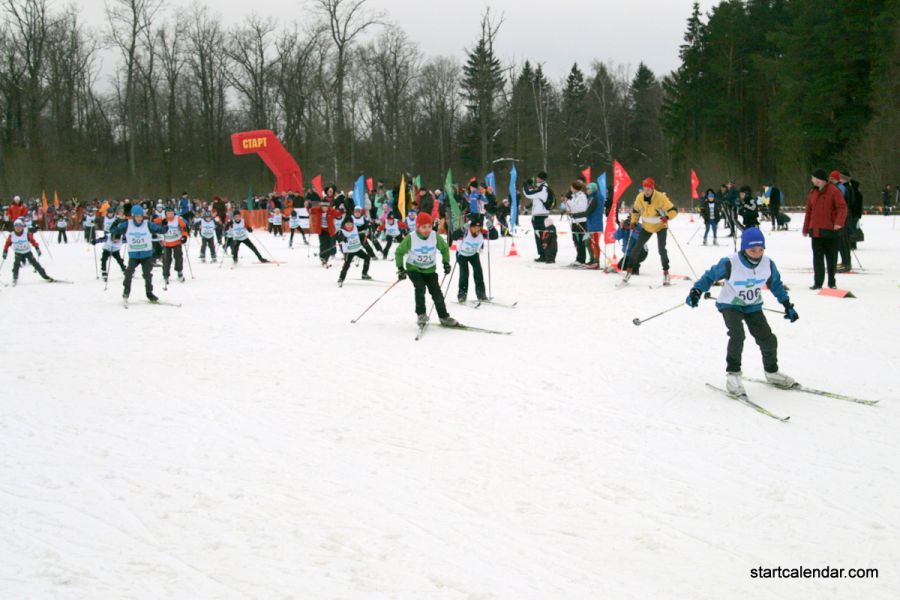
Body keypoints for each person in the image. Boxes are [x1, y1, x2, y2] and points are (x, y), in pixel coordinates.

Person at [685, 227, 798, 396]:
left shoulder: (768, 264)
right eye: (752, 250)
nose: (757, 253)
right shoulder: (730, 262)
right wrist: (696, 291)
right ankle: (733, 375)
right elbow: (710, 276)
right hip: (730, 304)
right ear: (744, 248)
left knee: (768, 338)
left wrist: (787, 305)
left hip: (753, 306)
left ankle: (772, 372)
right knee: (737, 335)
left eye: (760, 249)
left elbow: (776, 285)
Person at [394, 211, 458, 327]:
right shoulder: (411, 238)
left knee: (437, 293)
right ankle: (421, 314)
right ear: (417, 227)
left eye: (429, 226)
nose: (427, 230)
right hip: (414, 269)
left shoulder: (434, 236)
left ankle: (444, 317)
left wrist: (446, 263)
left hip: (430, 270)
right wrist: (400, 268)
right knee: (420, 288)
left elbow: (444, 249)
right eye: (423, 227)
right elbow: (399, 252)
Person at [618, 178, 677, 286]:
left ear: (652, 188)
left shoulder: (660, 197)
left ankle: (666, 273)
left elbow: (674, 210)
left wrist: (667, 217)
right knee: (636, 248)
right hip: (647, 227)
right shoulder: (640, 197)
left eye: (648, 189)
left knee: (661, 249)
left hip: (660, 226)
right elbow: (636, 210)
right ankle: (628, 272)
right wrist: (633, 222)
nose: (646, 191)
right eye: (645, 189)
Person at [110, 206, 167, 303]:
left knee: (147, 274)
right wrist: (115, 222)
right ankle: (126, 291)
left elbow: (161, 230)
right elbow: (113, 231)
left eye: (141, 216)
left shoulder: (147, 224)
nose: (139, 218)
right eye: (137, 216)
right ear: (133, 216)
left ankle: (149, 293)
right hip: (134, 256)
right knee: (128, 273)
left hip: (146, 255)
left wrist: (165, 225)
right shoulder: (127, 225)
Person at [803, 169, 847, 290]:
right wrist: (806, 228)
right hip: (816, 231)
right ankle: (818, 282)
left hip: (831, 231)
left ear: (819, 179)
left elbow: (842, 208)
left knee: (831, 258)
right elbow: (809, 212)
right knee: (817, 258)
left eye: (813, 178)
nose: (811, 180)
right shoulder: (812, 193)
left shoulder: (834, 191)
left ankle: (832, 281)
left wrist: (839, 223)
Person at [3, 218, 55, 285]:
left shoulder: (26, 234)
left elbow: (33, 241)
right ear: (14, 227)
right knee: (16, 265)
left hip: (27, 252)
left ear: (22, 227)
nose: (18, 228)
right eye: (16, 227)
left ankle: (45, 276)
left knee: (36, 264)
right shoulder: (12, 235)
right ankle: (15, 278)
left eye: (20, 227)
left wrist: (37, 248)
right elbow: (7, 244)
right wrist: (5, 252)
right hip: (18, 253)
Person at [454, 216, 488, 303]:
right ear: (470, 227)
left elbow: (494, 236)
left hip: (473, 254)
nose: (477, 229)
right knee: (464, 274)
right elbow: (453, 236)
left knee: (478, 273)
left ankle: (481, 295)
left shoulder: (481, 233)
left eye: (478, 227)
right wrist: (461, 229)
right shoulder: (465, 232)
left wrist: (491, 227)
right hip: (462, 255)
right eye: (474, 227)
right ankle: (462, 295)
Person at [522, 171, 552, 262]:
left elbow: (528, 194)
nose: (536, 179)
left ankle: (544, 255)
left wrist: (525, 185)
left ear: (541, 178)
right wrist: (529, 186)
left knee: (541, 236)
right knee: (540, 236)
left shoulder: (543, 188)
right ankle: (543, 254)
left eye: (537, 178)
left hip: (540, 216)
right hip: (539, 215)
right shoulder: (542, 187)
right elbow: (533, 194)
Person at [156, 207, 189, 284]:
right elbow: (153, 223)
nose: (170, 215)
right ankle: (166, 275)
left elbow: (184, 228)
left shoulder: (178, 219)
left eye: (171, 213)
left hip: (177, 241)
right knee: (166, 259)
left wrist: (184, 236)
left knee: (178, 258)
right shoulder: (162, 219)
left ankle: (179, 271)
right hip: (166, 242)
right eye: (168, 213)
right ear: (166, 214)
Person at [335, 217, 372, 286]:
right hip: (349, 251)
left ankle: (364, 274)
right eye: (347, 224)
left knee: (367, 258)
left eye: (351, 224)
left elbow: (362, 228)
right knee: (347, 265)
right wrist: (343, 238)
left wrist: (368, 225)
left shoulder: (355, 227)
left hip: (357, 249)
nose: (349, 226)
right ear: (344, 224)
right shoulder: (341, 231)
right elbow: (338, 238)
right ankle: (341, 278)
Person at [837, 170, 863, 271]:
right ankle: (845, 261)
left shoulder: (847, 188)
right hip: (850, 215)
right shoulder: (850, 187)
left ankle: (846, 262)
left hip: (849, 216)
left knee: (844, 239)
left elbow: (850, 203)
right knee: (845, 239)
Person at [562, 180, 589, 266]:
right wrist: (565, 202)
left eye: (571, 187)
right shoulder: (574, 196)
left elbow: (580, 208)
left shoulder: (582, 196)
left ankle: (581, 259)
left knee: (580, 240)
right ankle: (579, 258)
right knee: (575, 240)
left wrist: (568, 202)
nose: (570, 189)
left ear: (575, 188)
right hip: (574, 220)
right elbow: (570, 208)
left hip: (581, 221)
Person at [584, 182, 605, 269]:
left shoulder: (596, 198)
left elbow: (588, 211)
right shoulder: (591, 197)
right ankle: (592, 259)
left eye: (588, 189)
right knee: (587, 243)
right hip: (591, 223)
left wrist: (576, 215)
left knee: (594, 243)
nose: (587, 191)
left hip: (595, 224)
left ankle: (596, 262)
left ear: (592, 189)